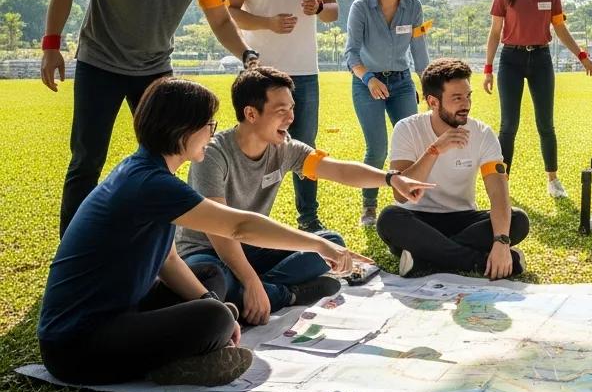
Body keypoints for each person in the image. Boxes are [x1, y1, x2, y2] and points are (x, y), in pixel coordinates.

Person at [37, 78, 370, 387]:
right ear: (183, 130)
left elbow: (167, 259)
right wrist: (317, 245)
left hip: (119, 312)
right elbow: (239, 225)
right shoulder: (151, 183)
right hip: (76, 344)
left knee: (209, 282)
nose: (211, 135)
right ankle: (174, 363)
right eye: (207, 126)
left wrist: (207, 300)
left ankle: (189, 347)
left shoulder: (142, 169)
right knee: (213, 318)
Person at [40, 0, 257, 236]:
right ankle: (72, 245)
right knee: (86, 161)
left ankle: (158, 246)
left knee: (167, 157)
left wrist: (247, 53)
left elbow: (219, 18)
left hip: (155, 71)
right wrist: (51, 47)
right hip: (100, 66)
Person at [176, 66, 433, 324]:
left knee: (331, 243)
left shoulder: (285, 147)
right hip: (208, 251)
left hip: (251, 245)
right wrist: (250, 280)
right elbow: (222, 231)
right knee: (211, 278)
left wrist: (391, 179)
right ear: (251, 113)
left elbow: (339, 170)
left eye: (291, 109)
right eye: (281, 111)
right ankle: (283, 294)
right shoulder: (213, 154)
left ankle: (253, 296)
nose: (290, 118)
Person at [225, 0, 338, 233]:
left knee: (305, 147)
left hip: (305, 73)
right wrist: (267, 23)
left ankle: (309, 219)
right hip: (262, 75)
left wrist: (318, 8)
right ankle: (247, 216)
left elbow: (333, 12)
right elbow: (228, 13)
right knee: (255, 146)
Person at [376, 58, 530, 279]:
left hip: (464, 220)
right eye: (457, 98)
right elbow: (401, 196)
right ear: (433, 101)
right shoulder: (407, 129)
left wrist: (501, 241)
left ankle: (423, 258)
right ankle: (478, 262)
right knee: (389, 218)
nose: (465, 105)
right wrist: (434, 151)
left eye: (468, 96)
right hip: (418, 219)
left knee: (518, 220)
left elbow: (498, 194)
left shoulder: (482, 133)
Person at [483, 0, 592, 198]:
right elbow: (494, 32)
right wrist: (488, 68)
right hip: (510, 61)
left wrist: (581, 55)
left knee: (546, 124)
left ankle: (553, 180)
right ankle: (502, 183)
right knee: (508, 126)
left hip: (541, 60)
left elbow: (559, 28)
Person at [345, 0, 431, 229]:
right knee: (378, 148)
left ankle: (414, 203)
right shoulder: (361, 7)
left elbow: (419, 52)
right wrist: (369, 79)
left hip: (402, 82)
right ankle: (369, 207)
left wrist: (429, 86)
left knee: (413, 143)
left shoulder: (413, 7)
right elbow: (351, 54)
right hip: (366, 83)